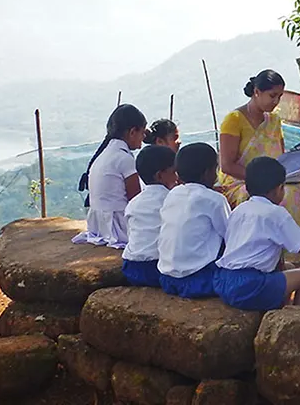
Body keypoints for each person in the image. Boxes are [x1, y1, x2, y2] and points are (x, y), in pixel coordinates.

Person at [218, 70, 300, 263]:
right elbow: (227, 165)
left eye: (279, 96)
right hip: (243, 182)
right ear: (257, 92)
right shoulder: (234, 120)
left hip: (274, 178)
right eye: (272, 96)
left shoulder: (274, 120)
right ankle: (287, 258)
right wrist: (261, 179)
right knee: (287, 196)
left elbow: (281, 157)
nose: (276, 101)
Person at [214, 157, 300, 310]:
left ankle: (279, 310)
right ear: (278, 189)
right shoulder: (276, 213)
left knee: (287, 266)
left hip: (224, 281)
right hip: (249, 286)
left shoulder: (239, 210)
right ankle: (296, 319)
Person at [157, 143, 231, 298]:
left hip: (167, 279)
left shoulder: (172, 194)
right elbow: (230, 235)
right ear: (207, 173)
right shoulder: (215, 200)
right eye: (215, 169)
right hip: (200, 279)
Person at [73, 104, 147, 248]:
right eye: (142, 132)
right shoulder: (124, 158)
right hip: (118, 226)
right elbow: (135, 200)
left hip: (99, 225)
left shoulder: (105, 154)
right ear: (132, 132)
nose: (143, 138)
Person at [121, 145, 177, 287]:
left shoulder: (133, 203)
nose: (177, 177)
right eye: (173, 172)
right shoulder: (172, 200)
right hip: (157, 268)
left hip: (131, 267)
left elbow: (131, 234)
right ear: (159, 175)